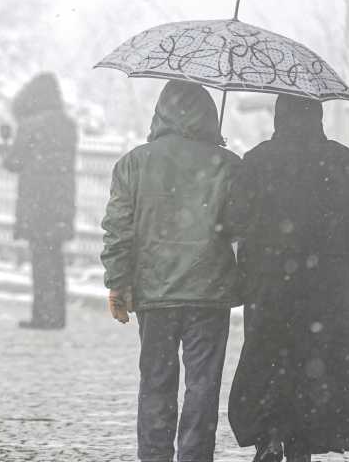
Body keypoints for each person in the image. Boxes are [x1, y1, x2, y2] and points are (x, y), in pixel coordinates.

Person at [224, 95, 349, 462]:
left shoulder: (258, 161)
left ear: (279, 117)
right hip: (324, 287)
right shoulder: (344, 162)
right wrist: (347, 248)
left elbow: (234, 219)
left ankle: (270, 431)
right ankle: (303, 441)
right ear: (318, 117)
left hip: (269, 280)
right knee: (315, 363)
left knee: (269, 356)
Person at [100, 80, 240, 462]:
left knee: (156, 385)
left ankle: (154, 457)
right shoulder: (227, 165)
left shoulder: (133, 163)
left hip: (154, 293)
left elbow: (118, 229)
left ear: (160, 113)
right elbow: (240, 228)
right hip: (209, 294)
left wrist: (117, 283)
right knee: (203, 387)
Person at [0, 72, 78, 329]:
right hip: (61, 199)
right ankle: (58, 315)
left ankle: (42, 314)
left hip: (37, 201)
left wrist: (6, 148)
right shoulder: (67, 125)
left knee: (41, 259)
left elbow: (14, 162)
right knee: (56, 260)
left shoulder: (31, 124)